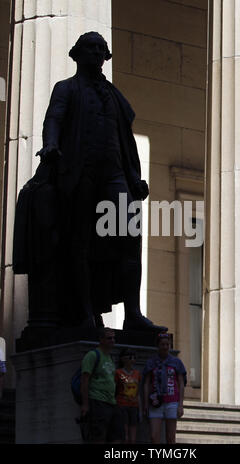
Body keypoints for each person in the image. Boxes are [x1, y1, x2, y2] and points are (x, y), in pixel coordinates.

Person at [13, 30, 168, 335]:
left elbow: (124, 138)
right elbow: (54, 119)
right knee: (80, 243)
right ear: (78, 54)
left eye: (102, 49)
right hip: (80, 173)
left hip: (114, 174)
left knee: (129, 238)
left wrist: (133, 177)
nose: (97, 54)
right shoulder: (67, 89)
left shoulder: (113, 95)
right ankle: (84, 313)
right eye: (91, 48)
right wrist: (52, 145)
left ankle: (132, 313)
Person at [80, 327, 124, 444]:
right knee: (98, 437)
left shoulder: (110, 357)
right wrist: (85, 404)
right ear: (101, 339)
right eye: (109, 338)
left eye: (114, 338)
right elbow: (84, 380)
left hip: (112, 403)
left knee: (117, 437)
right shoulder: (93, 355)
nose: (112, 340)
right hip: (97, 402)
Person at [143, 332, 187, 444]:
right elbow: (146, 383)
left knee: (171, 437)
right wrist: (145, 404)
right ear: (158, 345)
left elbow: (181, 383)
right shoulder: (151, 362)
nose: (165, 347)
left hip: (172, 401)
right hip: (155, 401)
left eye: (167, 344)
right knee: (154, 436)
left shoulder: (176, 362)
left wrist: (180, 404)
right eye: (162, 344)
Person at [115, 348, 142, 444]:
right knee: (124, 436)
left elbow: (138, 392)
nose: (132, 359)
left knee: (133, 438)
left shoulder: (137, 374)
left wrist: (140, 409)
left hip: (134, 406)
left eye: (134, 357)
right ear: (123, 359)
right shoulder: (118, 373)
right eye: (129, 357)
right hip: (122, 405)